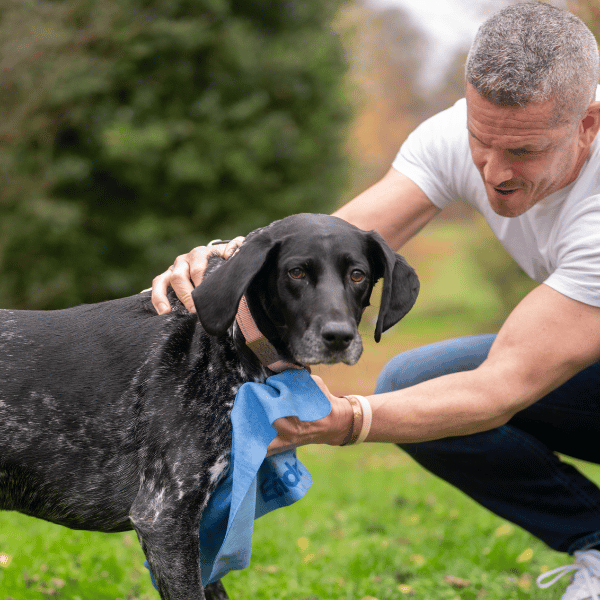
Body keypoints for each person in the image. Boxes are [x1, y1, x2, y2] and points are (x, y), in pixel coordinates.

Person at [151, 3, 600, 598]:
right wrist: (221, 267)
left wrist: (348, 422)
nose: (494, 172)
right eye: (480, 141)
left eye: (522, 152)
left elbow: (500, 388)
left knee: (442, 396)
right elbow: (318, 250)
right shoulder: (460, 139)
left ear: (588, 124)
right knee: (419, 376)